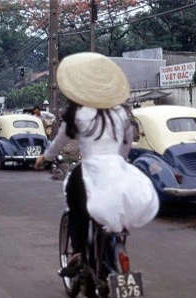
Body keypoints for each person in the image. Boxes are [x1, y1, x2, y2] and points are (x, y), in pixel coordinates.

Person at [34, 52, 159, 276]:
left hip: (89, 171)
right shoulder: (120, 112)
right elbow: (127, 143)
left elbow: (59, 142)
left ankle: (79, 253)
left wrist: (45, 158)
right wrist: (119, 161)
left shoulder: (77, 112)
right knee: (118, 213)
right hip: (118, 168)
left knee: (76, 207)